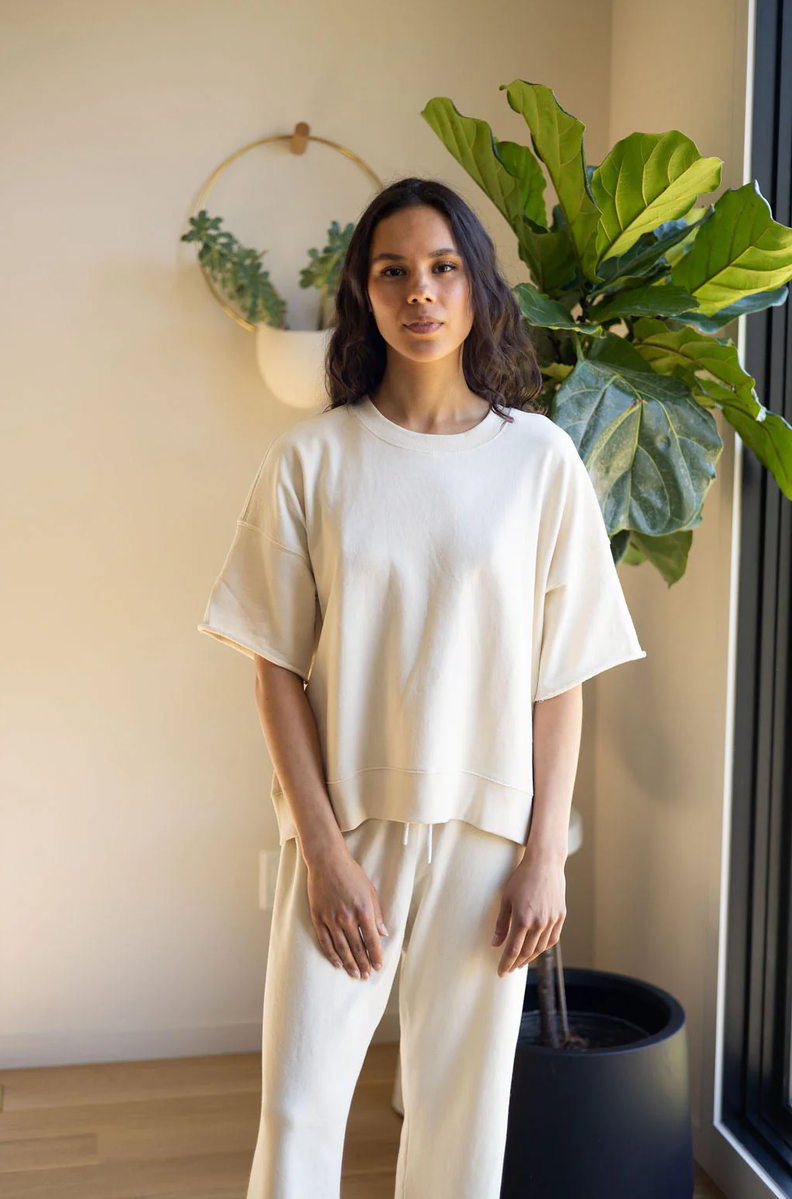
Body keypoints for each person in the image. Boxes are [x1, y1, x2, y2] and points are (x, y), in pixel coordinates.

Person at [197, 176, 646, 1199]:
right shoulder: (310, 458)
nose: (420, 292)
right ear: (363, 291)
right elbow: (274, 667)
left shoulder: (540, 463)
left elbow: (559, 676)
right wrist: (319, 851)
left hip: (490, 844)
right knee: (297, 1112)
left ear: (478, 289)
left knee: (457, 1126)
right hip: (345, 830)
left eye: (443, 268)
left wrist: (544, 858)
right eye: (392, 271)